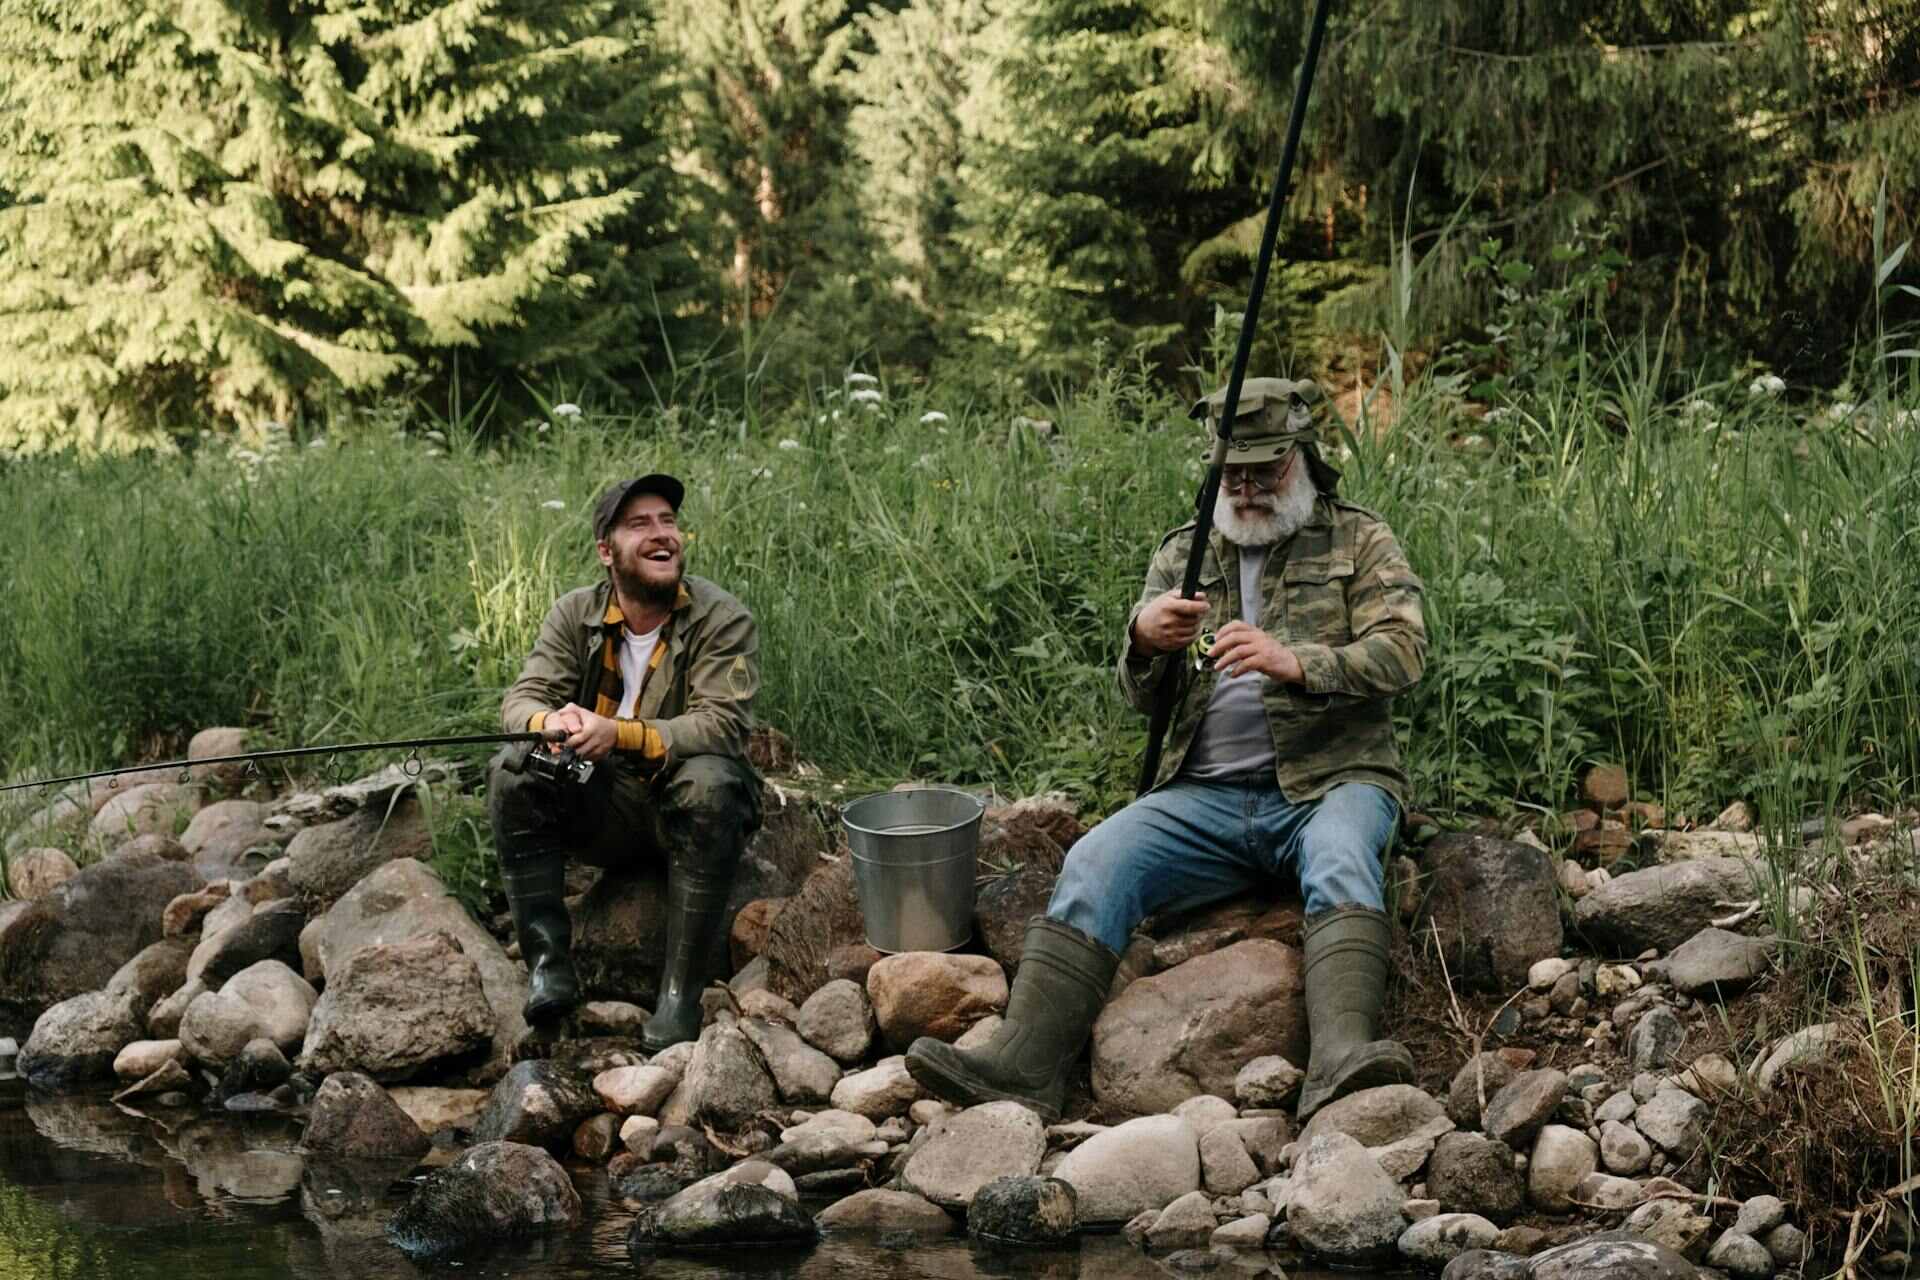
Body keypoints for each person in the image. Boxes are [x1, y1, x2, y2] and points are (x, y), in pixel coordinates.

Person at [906, 377, 1427, 1122]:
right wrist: (1143, 643)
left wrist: (1297, 661)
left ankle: (1340, 1058)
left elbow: (1405, 653)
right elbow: (1144, 696)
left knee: (1343, 853)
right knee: (1095, 860)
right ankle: (1023, 1064)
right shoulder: (1184, 554)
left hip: (1330, 783)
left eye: (1264, 471)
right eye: (1232, 472)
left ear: (1302, 459)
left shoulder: (1358, 538)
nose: (1245, 489)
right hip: (1202, 798)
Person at [488, 473, 761, 1051]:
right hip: (604, 807)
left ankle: (678, 1000)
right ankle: (549, 971)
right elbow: (521, 701)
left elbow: (723, 725)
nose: (663, 535)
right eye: (640, 525)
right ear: (607, 551)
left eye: (668, 521)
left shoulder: (723, 617)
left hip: (681, 809)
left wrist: (620, 734)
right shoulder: (574, 614)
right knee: (513, 769)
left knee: (712, 780)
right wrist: (552, 724)